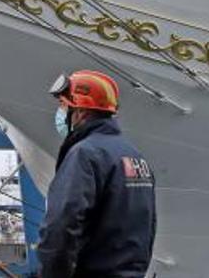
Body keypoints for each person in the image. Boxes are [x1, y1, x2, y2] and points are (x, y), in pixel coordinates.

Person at [37, 70, 157, 278]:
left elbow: (61, 227)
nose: (61, 112)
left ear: (81, 111)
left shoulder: (85, 154)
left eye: (64, 106)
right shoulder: (134, 155)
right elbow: (148, 225)